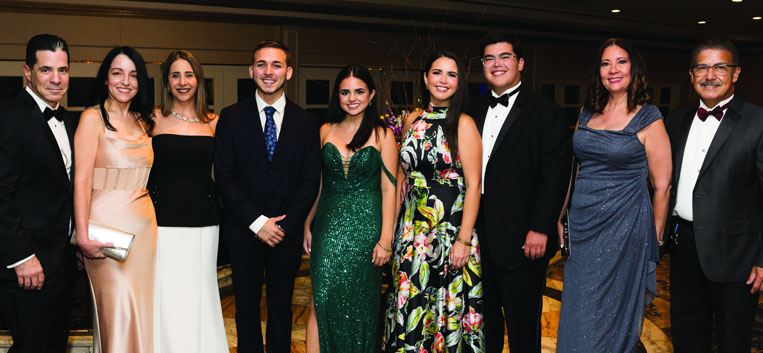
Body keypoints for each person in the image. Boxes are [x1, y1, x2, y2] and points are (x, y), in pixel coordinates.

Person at [556, 38, 671, 353]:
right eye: (606, 64)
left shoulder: (648, 117)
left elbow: (662, 185)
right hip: (583, 227)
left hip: (625, 228)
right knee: (580, 307)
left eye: (621, 62)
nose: (613, 70)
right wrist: (560, 216)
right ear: (599, 72)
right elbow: (576, 171)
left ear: (634, 68)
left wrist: (655, 237)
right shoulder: (587, 112)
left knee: (613, 310)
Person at [214, 39, 321, 353]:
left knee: (281, 309)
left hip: (285, 235)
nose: (268, 71)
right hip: (244, 231)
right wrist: (257, 222)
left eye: (276, 65)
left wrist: (283, 226)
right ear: (251, 71)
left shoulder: (305, 122)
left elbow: (310, 181)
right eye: (262, 64)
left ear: (288, 71)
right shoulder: (231, 117)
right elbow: (225, 177)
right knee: (245, 310)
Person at [468, 32, 572, 353]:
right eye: (489, 59)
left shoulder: (546, 111)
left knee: (523, 324)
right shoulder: (471, 110)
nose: (497, 64)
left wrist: (541, 227)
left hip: (524, 238)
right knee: (485, 324)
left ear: (520, 63)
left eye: (505, 57)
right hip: (477, 236)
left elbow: (554, 176)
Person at [382, 51, 484, 353]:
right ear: (425, 79)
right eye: (437, 73)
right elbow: (403, 173)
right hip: (413, 232)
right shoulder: (411, 119)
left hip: (449, 232)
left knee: (445, 309)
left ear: (459, 83)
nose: (443, 80)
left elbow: (475, 185)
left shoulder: (463, 124)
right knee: (411, 304)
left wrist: (464, 240)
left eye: (451, 75)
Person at [667, 38, 763, 353]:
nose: (710, 75)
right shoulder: (676, 120)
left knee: (732, 342)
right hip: (684, 249)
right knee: (686, 335)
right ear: (691, 74)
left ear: (735, 73)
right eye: (702, 67)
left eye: (720, 66)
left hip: (737, 254)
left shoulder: (757, 121)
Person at [302, 64, 398, 352]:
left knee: (362, 307)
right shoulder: (325, 130)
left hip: (367, 230)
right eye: (345, 92)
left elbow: (389, 189)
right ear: (337, 96)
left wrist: (385, 239)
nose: (352, 98)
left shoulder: (383, 135)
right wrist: (307, 224)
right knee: (321, 301)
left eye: (359, 91)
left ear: (371, 95)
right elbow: (318, 185)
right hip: (328, 228)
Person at [73, 46, 157, 353]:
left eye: (133, 75)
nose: (126, 81)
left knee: (140, 310)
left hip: (145, 233)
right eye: (117, 72)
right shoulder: (92, 118)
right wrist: (82, 236)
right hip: (106, 235)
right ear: (105, 77)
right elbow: (81, 181)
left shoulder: (144, 120)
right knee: (116, 313)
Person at [147, 50, 227, 353]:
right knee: (167, 296)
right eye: (175, 75)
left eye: (189, 74)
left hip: (204, 222)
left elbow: (222, 176)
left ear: (199, 80)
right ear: (166, 82)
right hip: (160, 223)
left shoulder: (214, 122)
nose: (183, 82)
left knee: (200, 293)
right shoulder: (152, 119)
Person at [0, 33, 75, 353]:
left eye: (63, 70)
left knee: (55, 344)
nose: (56, 79)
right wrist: (21, 257)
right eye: (46, 70)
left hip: (63, 259)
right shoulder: (8, 117)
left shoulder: (70, 121)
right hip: (29, 264)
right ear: (27, 71)